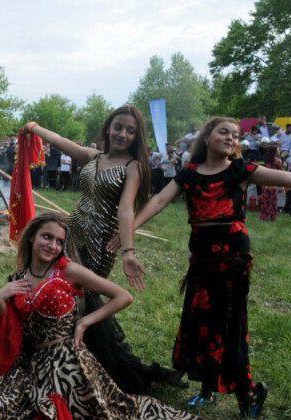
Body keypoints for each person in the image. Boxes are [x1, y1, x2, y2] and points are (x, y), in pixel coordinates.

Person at [120, 117, 291, 419]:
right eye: (224, 132)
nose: (232, 138)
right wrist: (129, 231)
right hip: (201, 258)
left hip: (231, 257)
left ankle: (250, 395)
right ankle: (208, 390)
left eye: (236, 135)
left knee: (229, 328)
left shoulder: (240, 170)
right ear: (207, 138)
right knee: (200, 321)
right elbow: (160, 200)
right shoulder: (189, 174)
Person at [0, 213, 200, 420]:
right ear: (32, 237)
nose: (53, 246)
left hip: (67, 364)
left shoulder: (67, 270)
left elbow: (124, 297)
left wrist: (85, 322)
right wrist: (1, 298)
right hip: (31, 363)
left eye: (59, 241)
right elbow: (13, 333)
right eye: (47, 237)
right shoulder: (18, 277)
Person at [22, 106, 184, 395]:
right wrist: (34, 127)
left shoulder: (134, 166)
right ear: (108, 128)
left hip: (100, 244)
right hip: (70, 232)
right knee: (58, 289)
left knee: (84, 297)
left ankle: (89, 361)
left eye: (130, 130)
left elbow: (125, 208)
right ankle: (52, 356)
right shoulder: (94, 157)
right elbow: (61, 141)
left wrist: (128, 249)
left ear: (137, 136)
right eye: (118, 127)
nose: (123, 134)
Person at [259, 145, 282, 221]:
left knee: (265, 201)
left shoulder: (266, 160)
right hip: (273, 183)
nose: (279, 150)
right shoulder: (278, 161)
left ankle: (264, 216)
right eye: (278, 149)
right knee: (273, 201)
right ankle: (272, 217)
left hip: (265, 182)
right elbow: (281, 172)